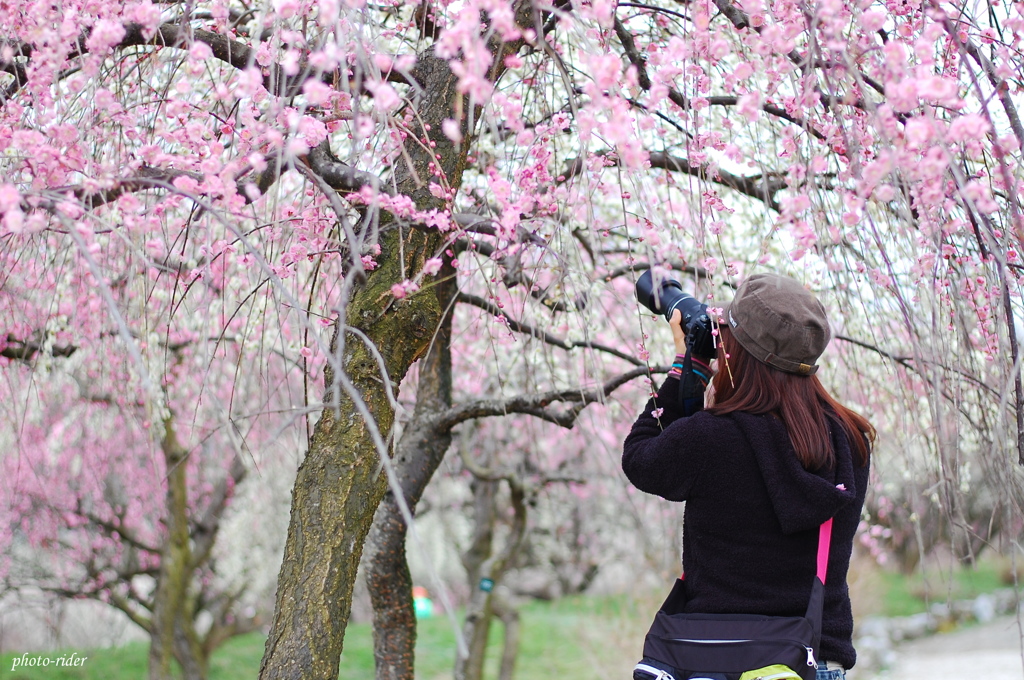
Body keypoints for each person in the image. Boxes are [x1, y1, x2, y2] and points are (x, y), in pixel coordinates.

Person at [622, 273, 874, 680]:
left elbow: (640, 458)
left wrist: (687, 369)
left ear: (736, 348)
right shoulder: (850, 442)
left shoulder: (710, 437)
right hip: (812, 661)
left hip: (715, 660)